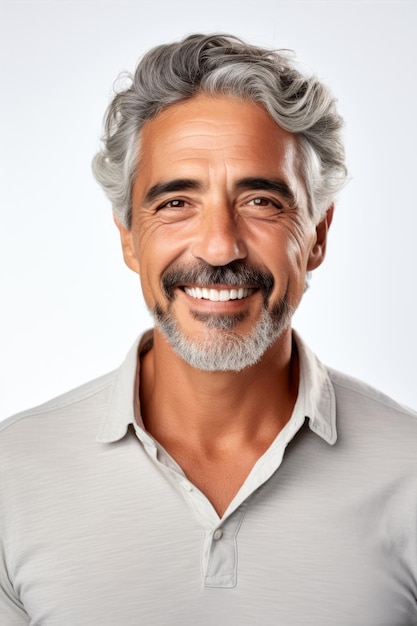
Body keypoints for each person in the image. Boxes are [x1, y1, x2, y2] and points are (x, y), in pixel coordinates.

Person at [1, 33, 416, 626]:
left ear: (318, 235)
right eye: (176, 203)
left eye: (261, 201)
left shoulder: (410, 471)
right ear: (128, 237)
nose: (219, 246)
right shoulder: (10, 476)